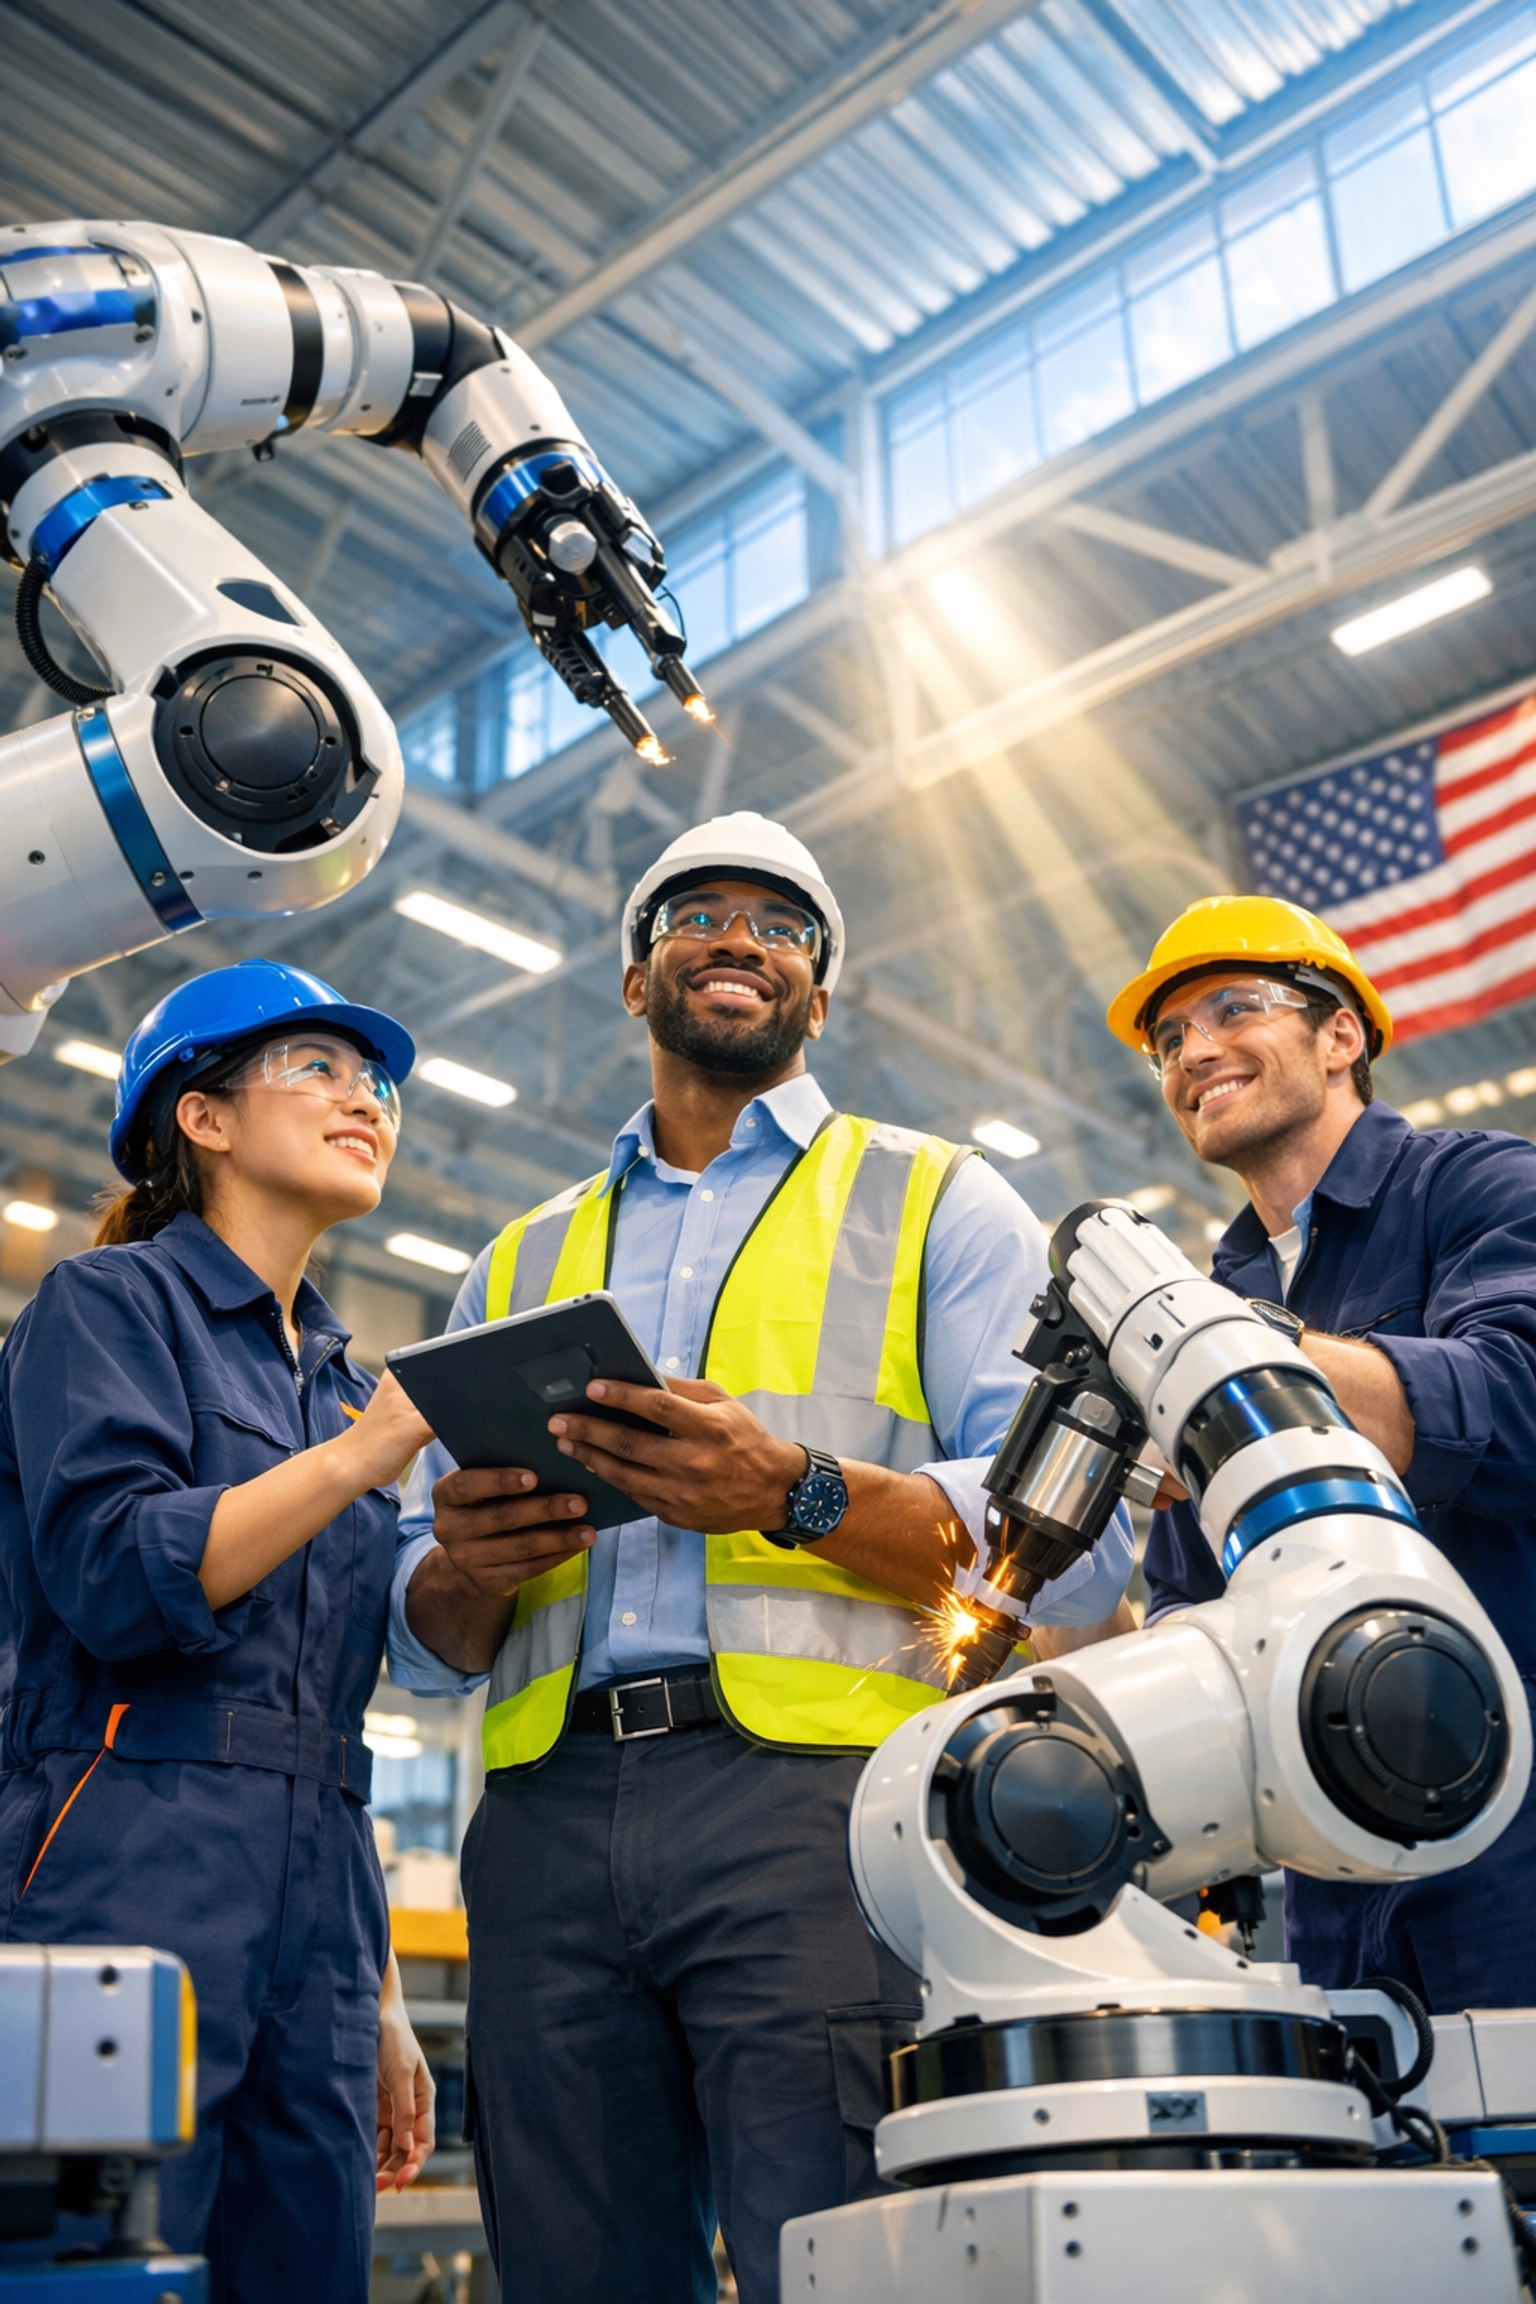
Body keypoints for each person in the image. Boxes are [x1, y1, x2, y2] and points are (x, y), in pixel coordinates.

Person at [390, 811, 1136, 2304]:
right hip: (544, 1829)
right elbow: (419, 1636)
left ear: (819, 988)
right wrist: (468, 1564)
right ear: (634, 978)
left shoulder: (938, 1202)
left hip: (821, 1819)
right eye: (696, 914)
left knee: (838, 2250)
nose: (739, 938)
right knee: (571, 2267)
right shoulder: (518, 1263)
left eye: (782, 925)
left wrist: (790, 1491)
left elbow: (1076, 1557)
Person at [0, 959, 441, 2304]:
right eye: (316, 1067)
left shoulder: (342, 1385)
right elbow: (123, 1583)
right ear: (202, 1118)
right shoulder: (106, 1308)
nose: (365, 1096)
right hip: (126, 1851)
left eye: (374, 1080)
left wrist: (379, 1999)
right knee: (103, 2267)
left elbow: (331, 1716)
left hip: (319, 1914)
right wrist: (364, 1459)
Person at [1105, 893, 1536, 2012]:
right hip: (1335, 1890)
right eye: (1168, 1041)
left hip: (1515, 1842)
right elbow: (1194, 1598)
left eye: (1231, 1009)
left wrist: (1248, 1349)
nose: (1194, 1051)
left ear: (1340, 1034)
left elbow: (1517, 1403)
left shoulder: (1477, 1187)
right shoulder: (1210, 1300)